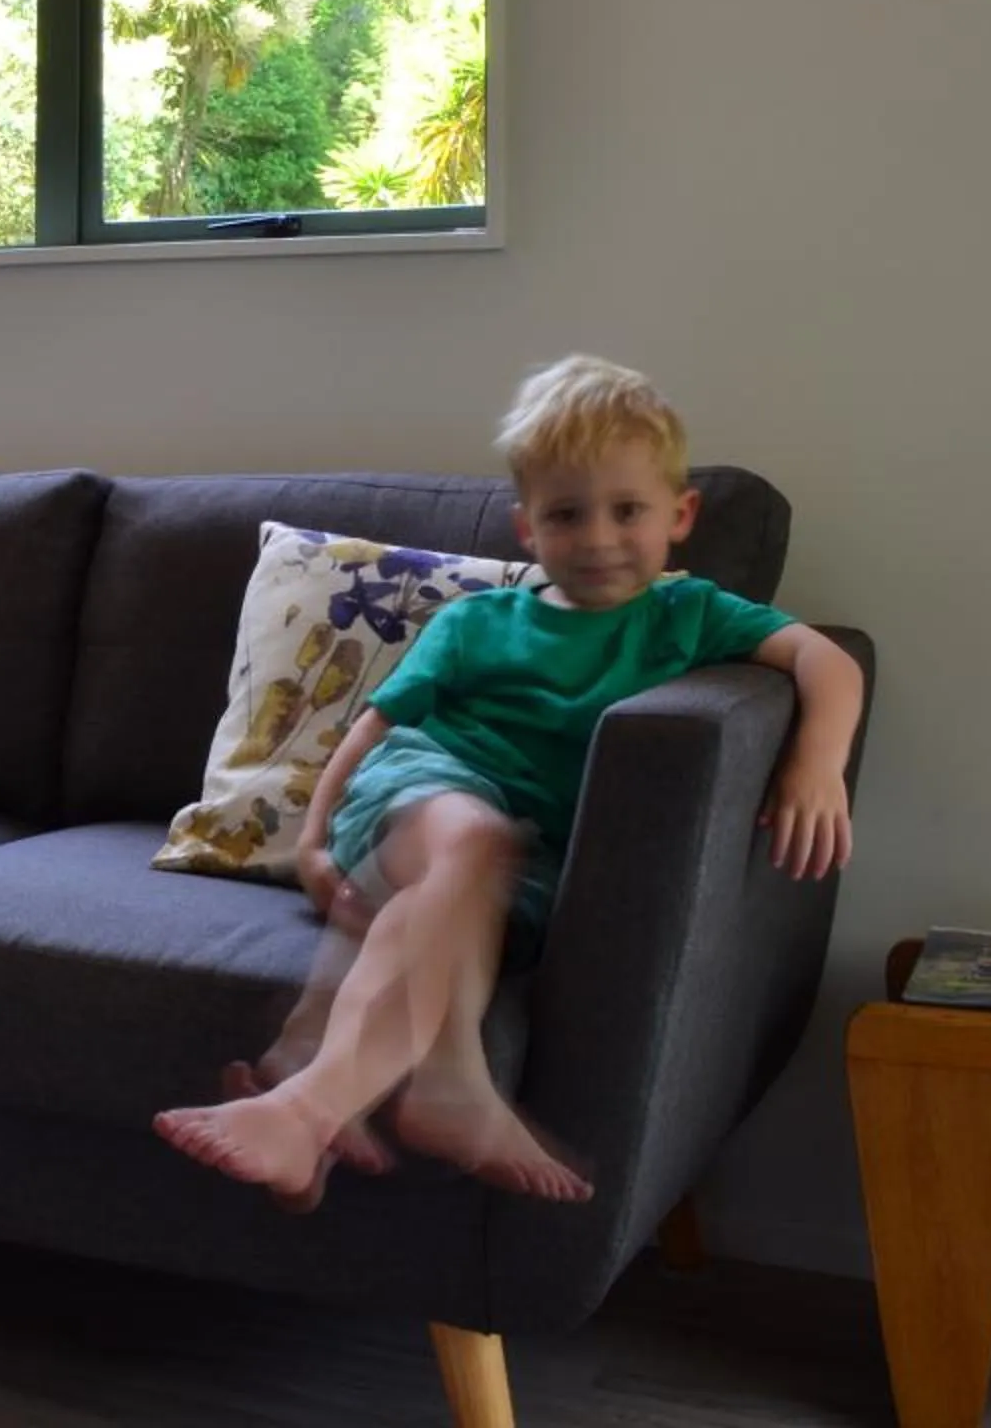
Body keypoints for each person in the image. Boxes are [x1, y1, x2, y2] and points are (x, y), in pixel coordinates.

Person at [154, 355, 864, 1206]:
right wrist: (311, 840)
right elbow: (371, 729)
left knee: (468, 888)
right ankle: (314, 1108)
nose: (598, 538)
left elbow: (823, 657)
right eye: (567, 515)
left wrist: (817, 762)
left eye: (626, 511)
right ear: (528, 529)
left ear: (681, 516)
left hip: (523, 860)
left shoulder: (691, 616)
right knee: (472, 837)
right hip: (418, 791)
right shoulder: (479, 622)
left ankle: (427, 1091)